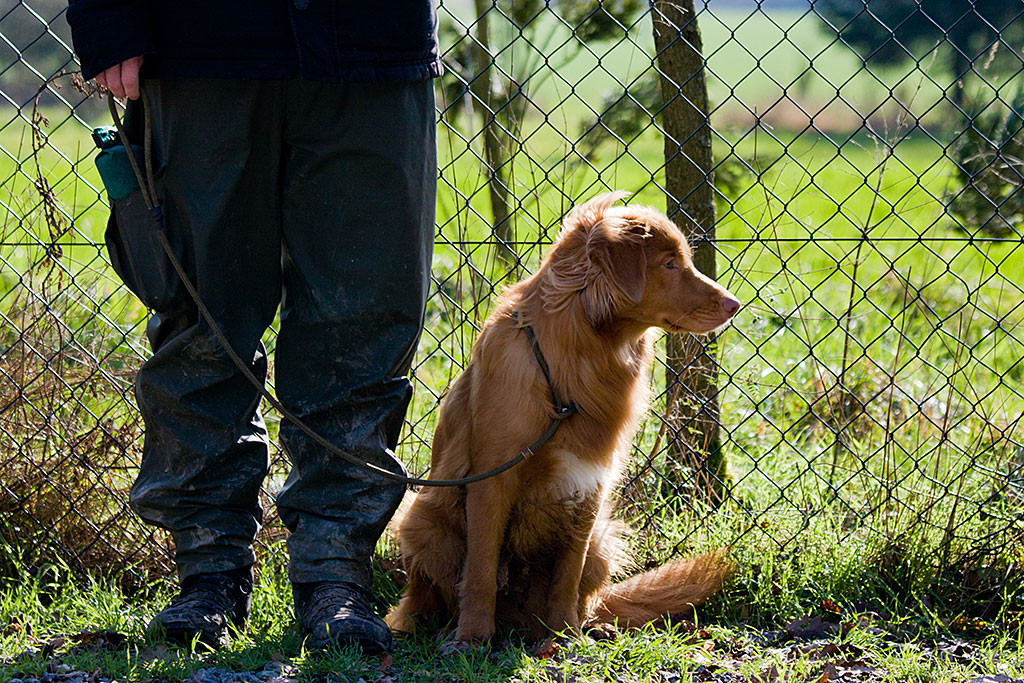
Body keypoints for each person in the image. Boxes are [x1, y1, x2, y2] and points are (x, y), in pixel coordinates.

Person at [66, 0, 440, 654]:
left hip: (370, 39)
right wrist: (110, 14)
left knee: (361, 324)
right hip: (203, 41)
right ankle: (208, 572)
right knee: (201, 321)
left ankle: (335, 571)